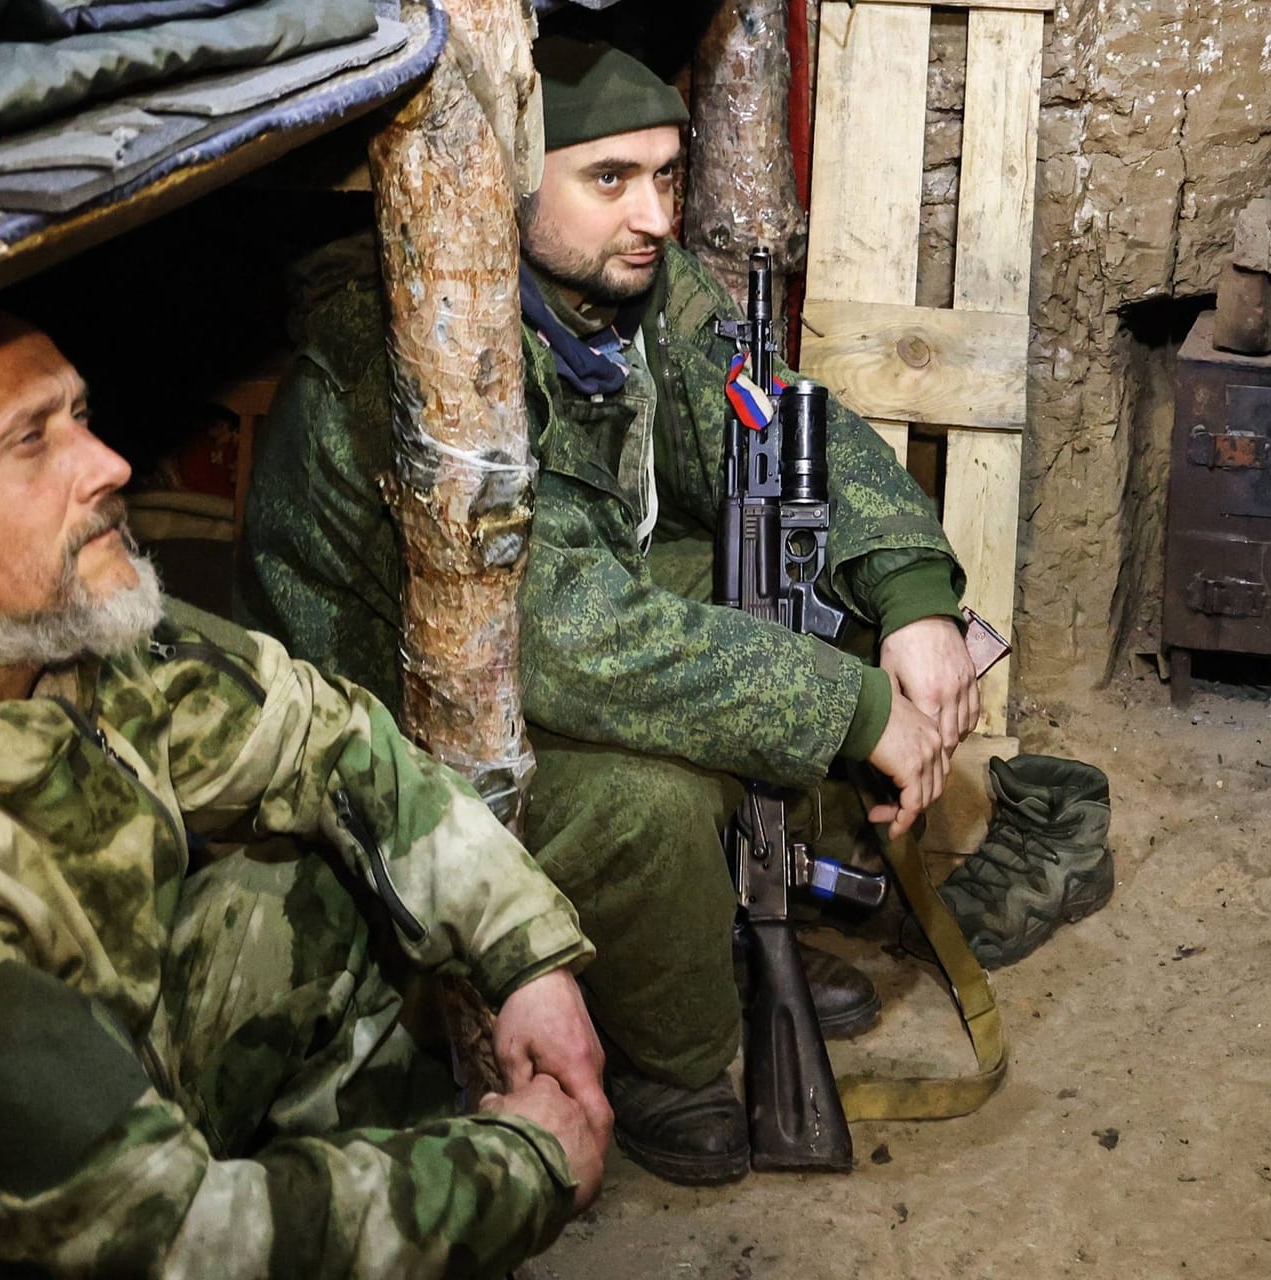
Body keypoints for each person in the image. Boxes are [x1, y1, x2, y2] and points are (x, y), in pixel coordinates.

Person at [0, 309, 611, 1279]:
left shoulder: (53, 640)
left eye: (80, 415)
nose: (110, 463)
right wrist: (520, 1165)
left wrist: (528, 954)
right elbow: (174, 1241)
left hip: (120, 1087)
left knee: (331, 882)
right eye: (31, 440)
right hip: (49, 1235)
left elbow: (322, 734)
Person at [237, 37, 983, 1187]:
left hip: (562, 623)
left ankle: (746, 926)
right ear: (516, 185)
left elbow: (780, 426)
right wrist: (847, 708)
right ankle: (675, 1057)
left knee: (787, 585)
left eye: (668, 176)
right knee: (654, 797)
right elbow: (552, 634)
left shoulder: (629, 283)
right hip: (393, 720)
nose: (652, 214)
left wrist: (910, 594)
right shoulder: (415, 353)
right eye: (610, 179)